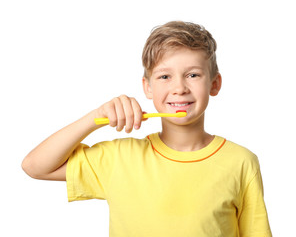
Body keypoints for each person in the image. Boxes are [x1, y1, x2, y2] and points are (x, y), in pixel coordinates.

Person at [22, 21, 272, 237]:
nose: (179, 88)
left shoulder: (242, 162)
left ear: (214, 84)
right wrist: (96, 117)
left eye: (193, 75)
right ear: (148, 87)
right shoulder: (119, 158)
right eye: (165, 76)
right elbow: (35, 166)